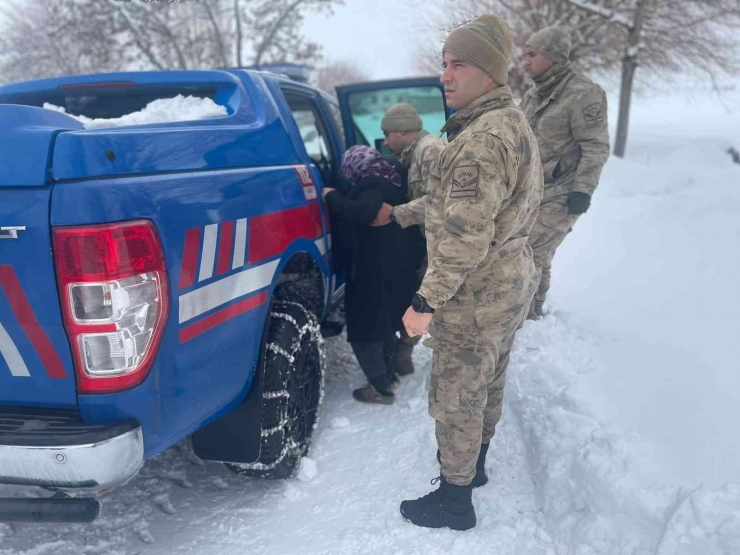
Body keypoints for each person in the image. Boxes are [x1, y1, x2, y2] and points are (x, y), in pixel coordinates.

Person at [374, 14, 543, 530]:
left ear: (489, 72)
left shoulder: (480, 141)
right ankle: (476, 466)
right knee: (487, 381)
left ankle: (454, 499)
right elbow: (455, 206)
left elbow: (463, 238)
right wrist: (401, 213)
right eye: (444, 63)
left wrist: (424, 304)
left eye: (459, 64)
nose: (445, 75)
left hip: (475, 295)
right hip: (509, 282)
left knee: (456, 398)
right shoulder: (509, 123)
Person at [520, 26, 610, 319]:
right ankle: (533, 314)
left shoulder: (584, 94)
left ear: (553, 56)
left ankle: (524, 315)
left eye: (532, 54)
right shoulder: (534, 95)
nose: (525, 61)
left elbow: (596, 147)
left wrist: (582, 190)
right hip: (531, 192)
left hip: (563, 193)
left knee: (527, 251)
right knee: (537, 254)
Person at [322, 146, 419, 405]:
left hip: (373, 269)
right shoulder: (391, 177)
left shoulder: (372, 185)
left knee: (364, 329)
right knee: (383, 322)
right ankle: (389, 373)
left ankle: (380, 389)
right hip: (395, 266)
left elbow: (365, 212)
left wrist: (331, 197)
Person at [380, 103, 447, 377]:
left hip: (448, 246)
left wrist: (396, 214)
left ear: (403, 131)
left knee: (426, 300)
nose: (384, 141)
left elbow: (443, 202)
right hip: (434, 242)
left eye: (388, 134)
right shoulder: (416, 153)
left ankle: (405, 356)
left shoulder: (430, 151)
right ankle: (403, 356)